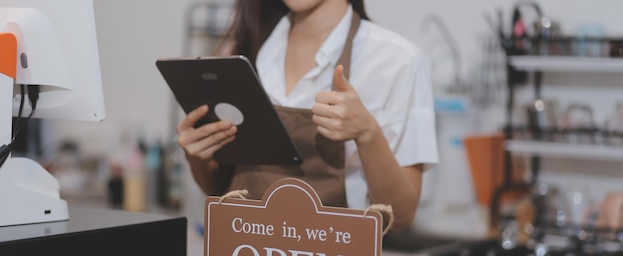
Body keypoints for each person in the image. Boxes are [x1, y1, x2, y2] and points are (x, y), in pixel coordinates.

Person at [176, 0, 438, 233]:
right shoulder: (239, 52)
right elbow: (220, 191)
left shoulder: (398, 62)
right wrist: (198, 160)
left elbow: (402, 216)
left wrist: (368, 134)